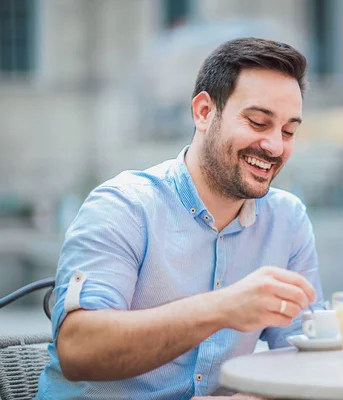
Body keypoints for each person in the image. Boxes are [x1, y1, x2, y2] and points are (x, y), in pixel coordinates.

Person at [36, 37, 323, 399]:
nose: (276, 147)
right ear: (204, 111)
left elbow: (304, 352)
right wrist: (221, 308)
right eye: (258, 122)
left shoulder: (288, 219)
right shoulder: (125, 206)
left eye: (288, 131)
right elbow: (79, 350)